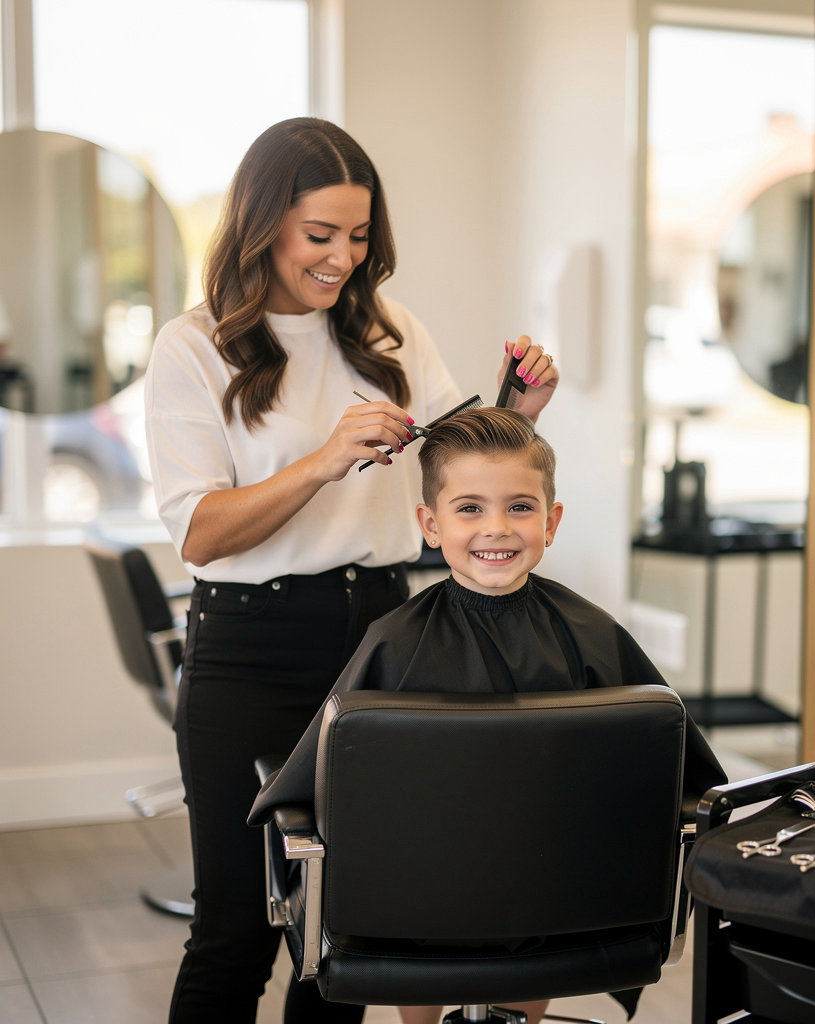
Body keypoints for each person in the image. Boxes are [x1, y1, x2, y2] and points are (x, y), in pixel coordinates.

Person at [144, 117, 558, 1024]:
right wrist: (323, 460)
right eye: (319, 235)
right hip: (250, 655)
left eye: (359, 235)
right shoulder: (193, 346)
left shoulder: (388, 329)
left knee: (345, 934)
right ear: (261, 225)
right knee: (236, 934)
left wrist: (518, 408)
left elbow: (462, 460)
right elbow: (202, 535)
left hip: (378, 641)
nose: (341, 258)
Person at [249, 406, 727, 1024]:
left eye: (520, 507)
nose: (496, 528)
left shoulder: (577, 635)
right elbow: (690, 783)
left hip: (440, 918)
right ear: (430, 523)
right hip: (550, 913)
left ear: (551, 521)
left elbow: (311, 789)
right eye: (470, 508)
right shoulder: (409, 640)